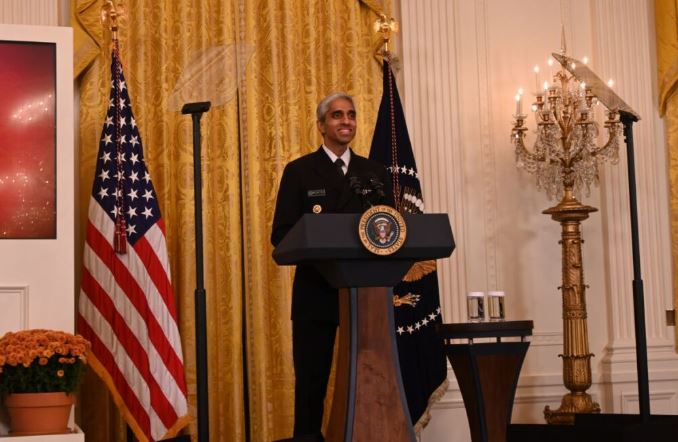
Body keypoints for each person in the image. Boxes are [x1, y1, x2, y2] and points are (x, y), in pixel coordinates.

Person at [271, 92, 393, 441]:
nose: (346, 121)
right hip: (317, 291)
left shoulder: (374, 172)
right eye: (337, 115)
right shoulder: (299, 171)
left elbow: (390, 228)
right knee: (312, 381)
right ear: (321, 125)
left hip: (366, 292)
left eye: (351, 115)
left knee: (371, 376)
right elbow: (281, 234)